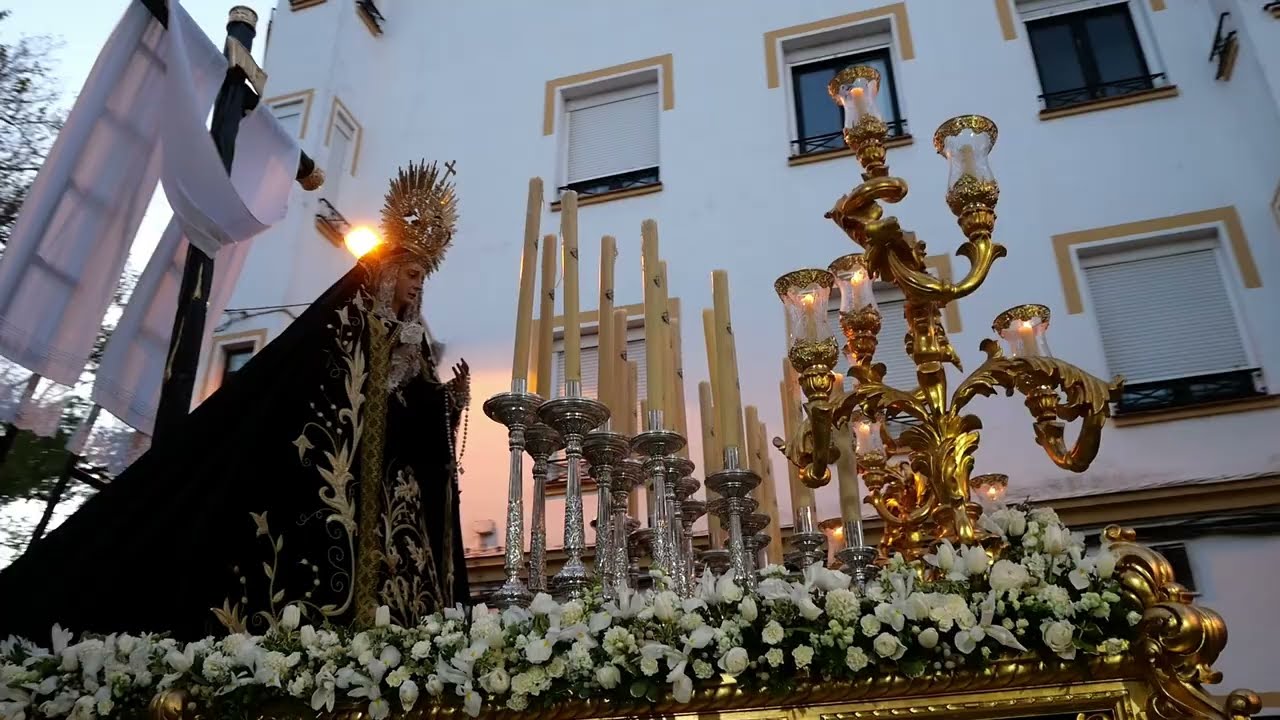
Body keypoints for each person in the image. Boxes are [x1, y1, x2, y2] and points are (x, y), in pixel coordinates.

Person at [0, 161, 470, 640]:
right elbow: (314, 390)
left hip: (391, 524)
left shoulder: (414, 351)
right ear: (388, 271)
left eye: (421, 278)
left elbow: (415, 437)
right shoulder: (342, 326)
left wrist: (446, 404)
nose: (416, 285)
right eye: (411, 272)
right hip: (333, 495)